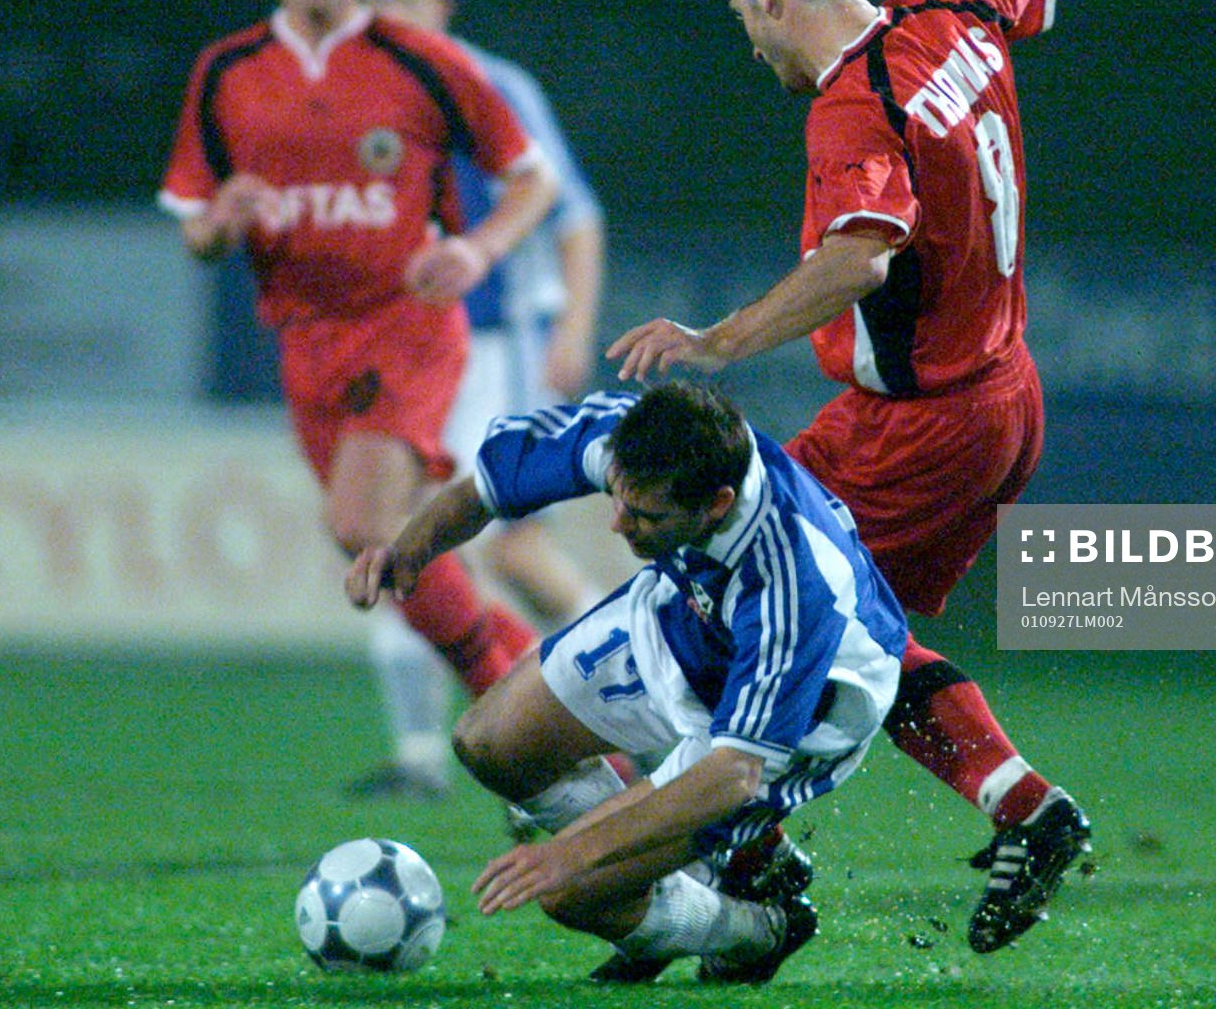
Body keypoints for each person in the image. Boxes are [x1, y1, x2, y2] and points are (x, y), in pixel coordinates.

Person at [608, 0, 1216, 950]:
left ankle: (748, 859)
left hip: (920, 424)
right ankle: (1023, 806)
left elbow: (861, 254)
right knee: (863, 630)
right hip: (1003, 391)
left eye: (745, 15)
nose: (750, 45)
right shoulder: (955, 8)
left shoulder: (855, 102)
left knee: (730, 586)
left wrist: (717, 338)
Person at [159, 0, 557, 713]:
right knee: (386, 550)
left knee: (363, 527)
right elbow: (194, 231)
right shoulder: (227, 74)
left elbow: (535, 180)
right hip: (305, 343)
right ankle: (559, 708)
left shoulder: (421, 61)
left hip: (406, 324)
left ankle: (527, 728)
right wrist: (220, 222)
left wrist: (478, 251)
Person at [345, 383, 909, 984]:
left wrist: (573, 852)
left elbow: (732, 773)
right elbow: (486, 488)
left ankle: (762, 930)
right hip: (687, 617)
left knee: (576, 894)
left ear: (717, 505)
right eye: (618, 498)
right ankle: (730, 864)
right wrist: (407, 550)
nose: (619, 523)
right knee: (490, 741)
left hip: (808, 716)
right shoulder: (632, 438)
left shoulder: (793, 579)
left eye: (644, 516)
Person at [344, 0, 609, 802]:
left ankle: (618, 712)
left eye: (406, 0)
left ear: (442, 6)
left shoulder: (495, 87)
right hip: (397, 349)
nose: (391, 16)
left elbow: (573, 216)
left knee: (510, 549)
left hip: (498, 347)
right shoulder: (352, 95)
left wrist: (571, 331)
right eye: (376, 1)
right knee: (394, 533)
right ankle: (420, 752)